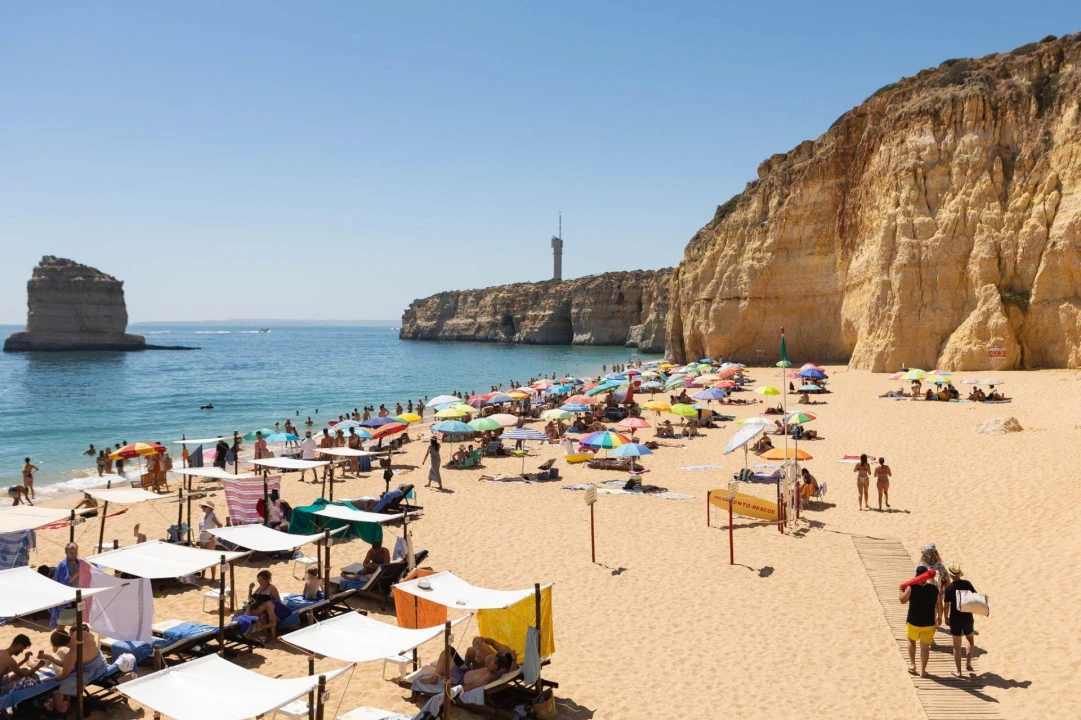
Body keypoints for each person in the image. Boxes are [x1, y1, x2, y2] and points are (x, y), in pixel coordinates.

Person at [419, 636, 518, 691]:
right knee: (451, 650)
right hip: (465, 671)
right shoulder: (500, 659)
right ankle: (445, 670)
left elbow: (473, 686)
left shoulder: (491, 675)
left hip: (459, 678)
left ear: (496, 667)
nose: (492, 659)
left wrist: (453, 689)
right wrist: (483, 640)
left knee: (445, 653)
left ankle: (434, 679)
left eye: (493, 660)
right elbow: (492, 642)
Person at [44, 626, 108, 713]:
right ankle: (67, 701)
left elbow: (64, 675)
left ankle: (61, 709)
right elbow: (92, 637)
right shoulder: (80, 633)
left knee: (58, 685)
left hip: (94, 671)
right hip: (102, 661)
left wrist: (50, 679)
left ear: (61, 645)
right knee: (68, 675)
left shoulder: (71, 654)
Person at [899, 564, 939, 678]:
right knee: (925, 648)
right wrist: (940, 616)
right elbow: (939, 604)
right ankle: (923, 671)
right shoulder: (933, 589)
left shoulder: (911, 588)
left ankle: (913, 665)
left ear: (916, 575)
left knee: (911, 641)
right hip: (929, 623)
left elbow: (902, 600)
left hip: (913, 621)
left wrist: (901, 590)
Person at [943, 563, 978, 678]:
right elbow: (975, 597)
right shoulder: (967, 584)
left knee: (956, 646)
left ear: (950, 575)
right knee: (970, 639)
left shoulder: (949, 588)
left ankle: (958, 671)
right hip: (967, 616)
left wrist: (945, 617)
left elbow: (946, 605)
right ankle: (968, 663)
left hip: (955, 618)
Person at [246, 570, 290, 641]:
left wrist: (268, 608)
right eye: (258, 580)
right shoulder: (259, 588)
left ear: (266, 579)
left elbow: (277, 602)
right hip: (258, 608)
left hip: (267, 609)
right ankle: (249, 630)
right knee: (247, 609)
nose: (258, 581)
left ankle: (264, 634)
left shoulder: (272, 588)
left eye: (260, 580)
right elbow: (250, 600)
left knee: (263, 615)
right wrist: (250, 589)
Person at [199, 501, 222, 579]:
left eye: (205, 506)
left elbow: (220, 525)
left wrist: (213, 536)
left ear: (210, 508)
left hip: (209, 540)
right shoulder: (203, 515)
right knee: (203, 558)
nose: (203, 508)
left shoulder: (212, 515)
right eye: (203, 506)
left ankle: (213, 578)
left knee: (211, 559)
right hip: (202, 538)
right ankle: (203, 576)